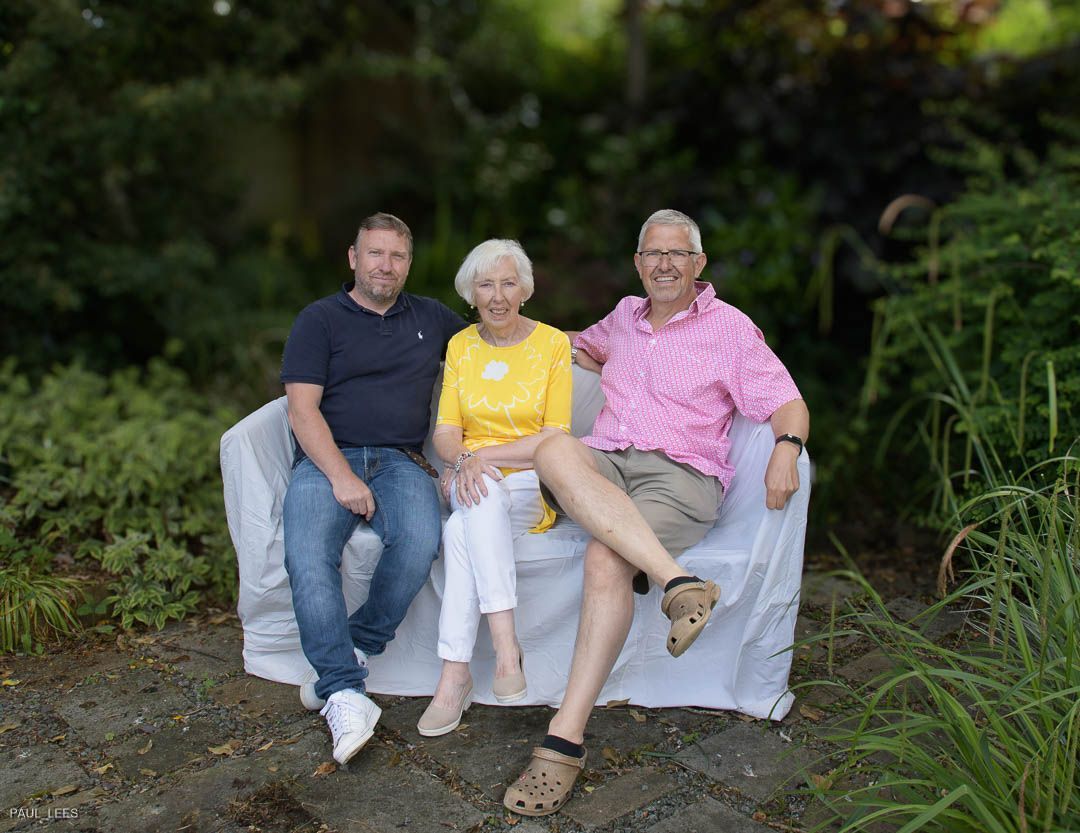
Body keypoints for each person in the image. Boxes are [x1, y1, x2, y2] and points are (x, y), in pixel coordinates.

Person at [503, 209, 810, 816]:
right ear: (638, 264)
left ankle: (563, 741)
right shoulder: (623, 318)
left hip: (681, 479)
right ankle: (679, 584)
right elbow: (568, 347)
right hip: (610, 464)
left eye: (678, 254)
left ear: (699, 265)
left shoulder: (728, 328)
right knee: (558, 447)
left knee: (604, 558)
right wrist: (500, 328)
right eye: (652, 254)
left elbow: (788, 402)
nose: (664, 265)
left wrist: (787, 449)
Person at [280, 212, 466, 764]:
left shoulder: (431, 318)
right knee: (308, 556)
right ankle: (344, 693)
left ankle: (355, 649)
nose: (386, 265)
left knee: (419, 540)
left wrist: (575, 343)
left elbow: (500, 343)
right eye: (376, 253)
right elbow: (301, 409)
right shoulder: (319, 320)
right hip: (327, 459)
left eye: (398, 256)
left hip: (402, 460)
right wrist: (342, 477)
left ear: (409, 263)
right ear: (353, 258)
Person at [416, 239, 572, 737]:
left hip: (532, 480)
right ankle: (503, 653)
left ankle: (454, 676)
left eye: (508, 283)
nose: (498, 295)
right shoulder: (461, 345)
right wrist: (465, 460)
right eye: (486, 284)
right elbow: (445, 432)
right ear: (472, 293)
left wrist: (482, 459)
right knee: (475, 512)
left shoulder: (552, 345)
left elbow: (555, 438)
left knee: (468, 520)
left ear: (524, 289)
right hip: (473, 475)